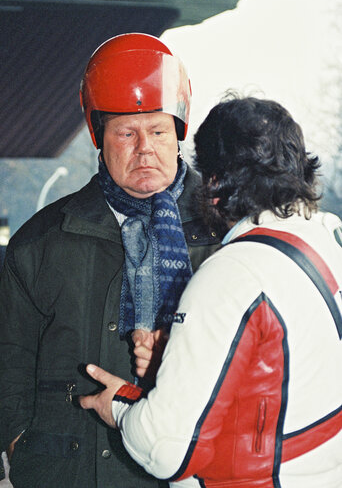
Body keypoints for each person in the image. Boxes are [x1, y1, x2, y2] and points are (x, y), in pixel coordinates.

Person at [80, 94, 342, 488]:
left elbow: (164, 449)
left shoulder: (230, 272)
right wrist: (183, 354)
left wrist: (119, 404)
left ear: (215, 182)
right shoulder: (330, 237)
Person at [0, 33, 221, 488]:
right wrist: (17, 437)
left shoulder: (226, 234)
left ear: (179, 132)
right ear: (99, 136)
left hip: (188, 469)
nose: (145, 148)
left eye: (159, 131)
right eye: (127, 133)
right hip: (67, 471)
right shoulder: (40, 242)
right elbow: (9, 356)